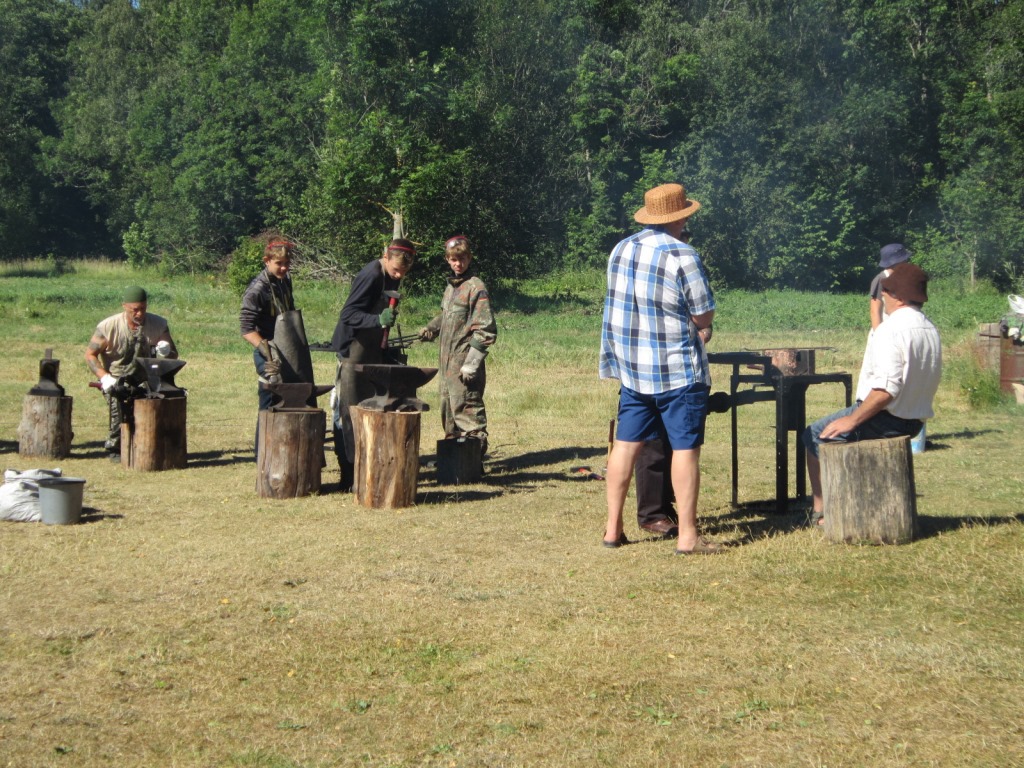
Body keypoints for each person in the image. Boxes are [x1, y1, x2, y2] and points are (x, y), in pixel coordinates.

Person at [600, 183, 719, 555]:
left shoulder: (621, 248)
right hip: (675, 369)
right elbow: (703, 315)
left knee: (625, 446)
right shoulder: (683, 254)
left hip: (633, 370)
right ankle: (688, 537)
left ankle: (612, 529)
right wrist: (702, 328)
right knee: (685, 448)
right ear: (679, 218)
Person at [803, 262, 942, 524]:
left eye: (886, 292)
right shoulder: (929, 328)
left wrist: (852, 420)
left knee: (813, 435)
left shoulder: (891, 329)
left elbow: (886, 390)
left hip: (886, 419)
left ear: (899, 296)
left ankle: (822, 514)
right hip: (915, 421)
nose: (883, 297)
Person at [330, 238, 417, 491]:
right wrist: (377, 320)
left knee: (369, 410)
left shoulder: (393, 274)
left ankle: (369, 468)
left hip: (371, 351)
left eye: (404, 272)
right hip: (352, 352)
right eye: (396, 270)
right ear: (385, 256)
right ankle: (348, 474)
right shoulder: (370, 275)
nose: (399, 275)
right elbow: (348, 314)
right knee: (348, 413)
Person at [633, 223, 694, 538]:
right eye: (683, 235)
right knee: (652, 442)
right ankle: (652, 514)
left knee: (673, 443)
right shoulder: (647, 263)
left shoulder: (678, 262)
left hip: (672, 365)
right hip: (648, 363)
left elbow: (694, 311)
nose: (686, 239)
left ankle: (666, 508)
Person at [417, 235, 498, 455]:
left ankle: (473, 460)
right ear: (447, 259)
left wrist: (471, 363)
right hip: (446, 364)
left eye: (462, 259)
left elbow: (486, 329)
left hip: (463, 363)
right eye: (453, 259)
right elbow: (448, 316)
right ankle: (453, 461)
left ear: (469, 258)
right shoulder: (452, 287)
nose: (458, 264)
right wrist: (431, 328)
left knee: (467, 410)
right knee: (449, 413)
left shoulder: (475, 287)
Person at [85, 286, 178, 461]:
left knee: (157, 408)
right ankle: (116, 448)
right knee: (120, 409)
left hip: (146, 378)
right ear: (124, 306)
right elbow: (90, 355)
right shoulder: (108, 327)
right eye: (134, 309)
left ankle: (153, 445)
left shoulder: (158, 325)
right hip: (116, 378)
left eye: (143, 308)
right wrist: (105, 378)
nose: (139, 313)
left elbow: (173, 355)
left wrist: (166, 351)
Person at [240, 237, 296, 414]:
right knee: (269, 407)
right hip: (267, 353)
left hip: (286, 349)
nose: (284, 268)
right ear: (267, 261)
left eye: (287, 263)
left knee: (289, 404)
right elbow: (247, 329)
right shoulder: (257, 290)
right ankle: (264, 434)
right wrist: (269, 354)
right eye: (279, 263)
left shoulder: (284, 281)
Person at [870, 243, 911, 330]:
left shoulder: (904, 278)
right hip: (886, 330)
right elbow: (875, 311)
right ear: (895, 262)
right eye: (904, 260)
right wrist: (878, 333)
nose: (907, 262)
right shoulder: (881, 279)